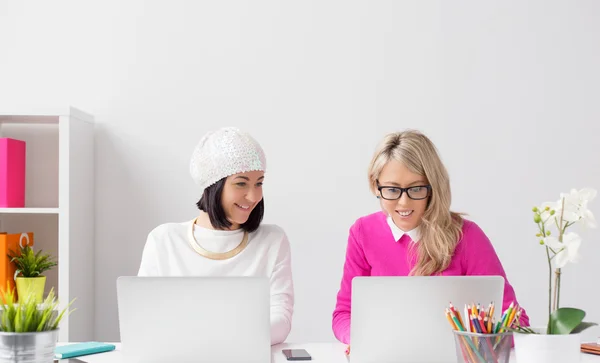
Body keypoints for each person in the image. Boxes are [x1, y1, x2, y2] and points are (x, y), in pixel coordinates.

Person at [332, 130, 529, 345]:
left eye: (416, 189)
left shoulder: (467, 236)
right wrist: (361, 341)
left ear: (433, 188)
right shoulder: (363, 232)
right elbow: (344, 314)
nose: (404, 203)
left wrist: (476, 346)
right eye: (392, 190)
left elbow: (516, 322)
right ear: (376, 186)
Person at [138, 127, 294, 345]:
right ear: (213, 185)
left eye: (259, 183)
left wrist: (225, 342)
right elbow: (145, 318)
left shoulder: (272, 240)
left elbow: (281, 317)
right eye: (241, 183)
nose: (253, 196)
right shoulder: (164, 240)